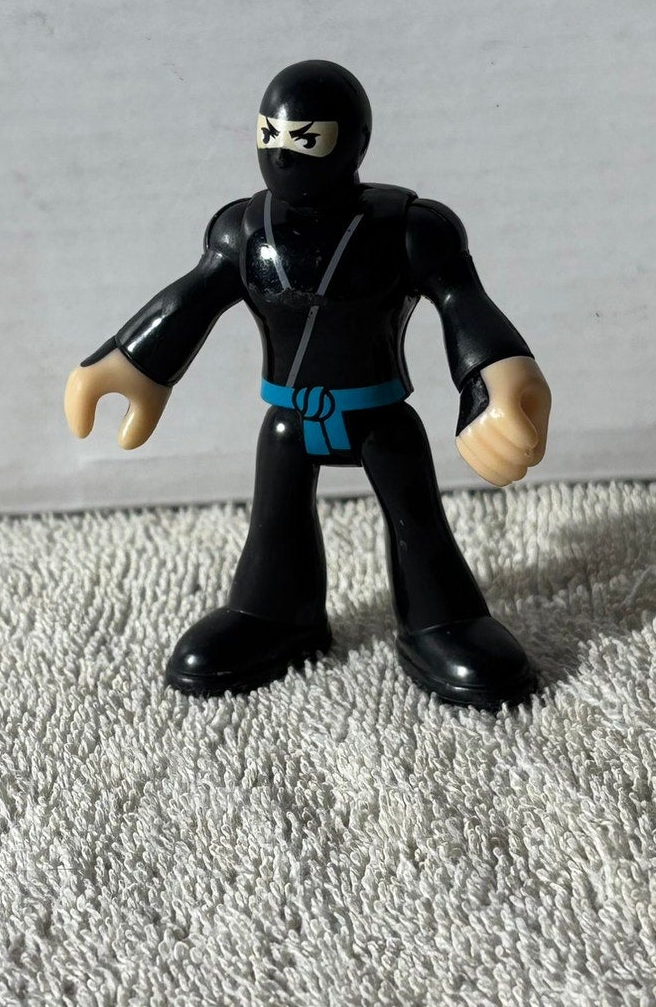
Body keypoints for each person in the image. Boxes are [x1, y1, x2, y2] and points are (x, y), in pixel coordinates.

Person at [65, 59, 551, 710]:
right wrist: (134, 360)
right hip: (290, 418)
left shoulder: (407, 229)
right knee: (275, 521)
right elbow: (195, 297)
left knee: (418, 521)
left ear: (355, 143)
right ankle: (275, 614)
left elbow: (463, 301)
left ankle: (442, 620)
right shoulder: (244, 230)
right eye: (269, 136)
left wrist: (494, 375)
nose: (282, 156)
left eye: (305, 140)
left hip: (380, 416)